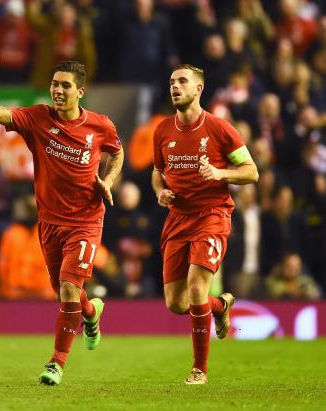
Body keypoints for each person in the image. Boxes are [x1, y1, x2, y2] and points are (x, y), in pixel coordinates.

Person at [0, 41, 124, 385]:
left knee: (69, 288)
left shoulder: (100, 126)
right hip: (50, 221)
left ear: (80, 91)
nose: (57, 90)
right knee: (64, 292)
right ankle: (90, 312)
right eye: (55, 84)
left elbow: (117, 153)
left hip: (85, 220)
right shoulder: (37, 118)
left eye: (65, 85)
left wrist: (109, 180)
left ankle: (56, 363)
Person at [151, 64, 259, 385]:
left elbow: (251, 171)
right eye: (172, 82)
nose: (175, 86)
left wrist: (221, 173)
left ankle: (199, 370)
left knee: (197, 286)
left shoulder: (220, 128)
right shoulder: (162, 131)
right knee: (176, 303)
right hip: (178, 219)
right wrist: (160, 191)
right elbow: (158, 172)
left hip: (212, 214)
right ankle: (220, 304)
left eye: (182, 81)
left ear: (199, 89)